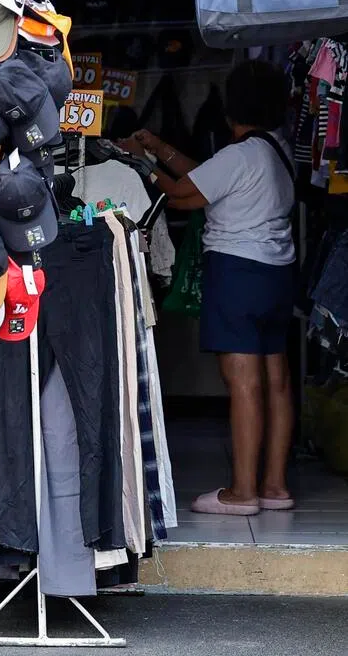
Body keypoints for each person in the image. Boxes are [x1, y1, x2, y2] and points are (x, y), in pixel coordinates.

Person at [120, 59, 295, 516]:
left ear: (233, 107)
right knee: (276, 381)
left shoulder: (239, 156)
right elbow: (206, 181)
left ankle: (242, 492)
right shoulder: (275, 149)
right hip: (277, 275)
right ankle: (275, 487)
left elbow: (182, 194)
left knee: (243, 384)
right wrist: (158, 147)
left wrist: (137, 161)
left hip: (238, 273)